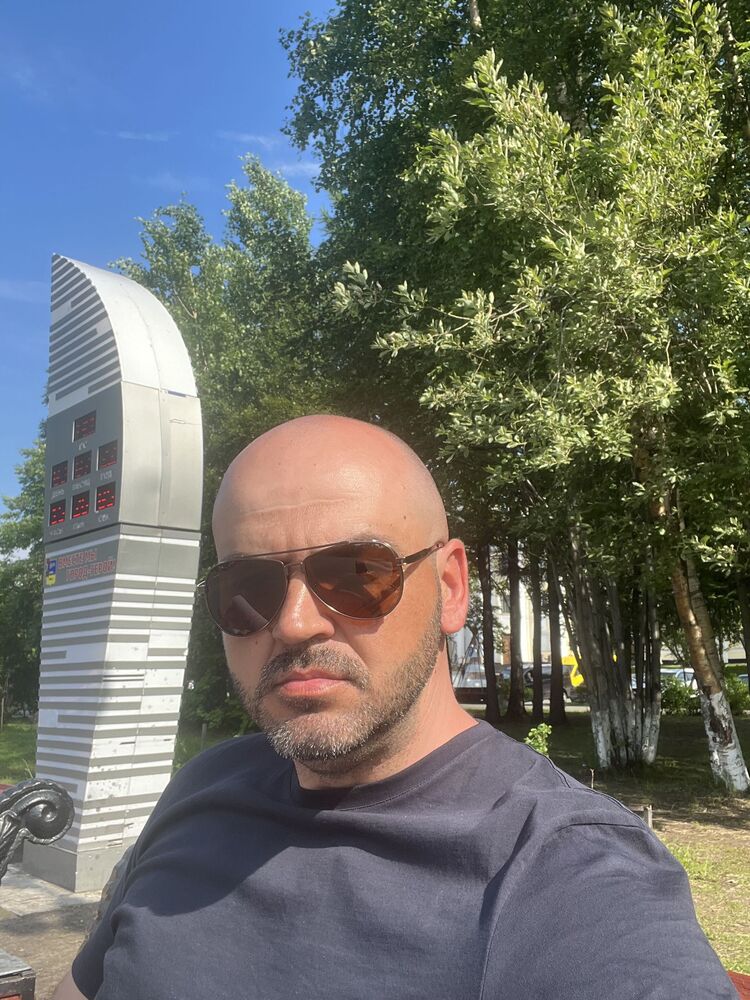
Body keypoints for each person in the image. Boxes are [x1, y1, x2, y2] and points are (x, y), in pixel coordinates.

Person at [54, 415, 735, 1000]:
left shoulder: (565, 871)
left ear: (451, 587)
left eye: (355, 575)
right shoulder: (204, 787)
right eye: (249, 585)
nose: (293, 624)